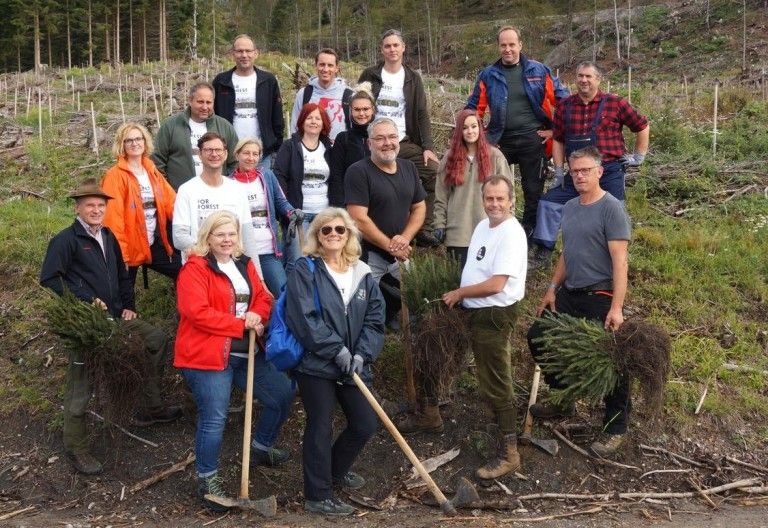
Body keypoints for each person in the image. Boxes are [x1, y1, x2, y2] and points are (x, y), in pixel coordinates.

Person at [40, 179, 182, 476]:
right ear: (78, 207)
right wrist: (85, 300)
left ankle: (149, 406)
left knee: (155, 339)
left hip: (117, 317)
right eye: (89, 205)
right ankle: (75, 446)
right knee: (82, 383)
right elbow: (51, 278)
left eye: (100, 205)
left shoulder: (108, 235)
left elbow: (121, 275)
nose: (95, 210)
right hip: (88, 324)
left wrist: (129, 306)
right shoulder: (66, 240)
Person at [174, 211, 294, 512]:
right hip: (208, 356)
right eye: (220, 235)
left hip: (249, 352)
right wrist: (240, 323)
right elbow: (195, 312)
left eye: (231, 234)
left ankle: (260, 449)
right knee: (215, 417)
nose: (227, 240)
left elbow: (264, 299)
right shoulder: (195, 269)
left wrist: (257, 315)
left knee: (282, 395)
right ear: (208, 237)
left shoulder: (245, 263)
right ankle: (207, 479)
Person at [527, 146, 631, 458]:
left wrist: (616, 307)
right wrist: (551, 288)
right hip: (569, 293)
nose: (580, 175)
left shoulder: (611, 209)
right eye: (575, 171)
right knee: (538, 336)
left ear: (600, 172)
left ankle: (616, 428)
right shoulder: (570, 206)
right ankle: (564, 396)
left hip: (601, 295)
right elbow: (567, 253)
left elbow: (620, 262)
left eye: (586, 170)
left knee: (612, 361)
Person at [285, 207, 385, 516]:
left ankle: (331, 473)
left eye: (339, 230)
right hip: (317, 364)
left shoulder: (363, 273)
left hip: (352, 363)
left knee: (365, 423)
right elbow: (304, 318)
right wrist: (335, 350)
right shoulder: (306, 269)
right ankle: (317, 495)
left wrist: (360, 354)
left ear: (349, 235)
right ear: (316, 235)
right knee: (320, 424)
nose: (333, 235)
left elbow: (375, 319)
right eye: (326, 230)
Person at [437, 176, 527, 479]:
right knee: (487, 376)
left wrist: (460, 293)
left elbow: (497, 283)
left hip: (494, 313)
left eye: (501, 199)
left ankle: (509, 452)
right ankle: (496, 431)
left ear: (511, 200)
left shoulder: (511, 233)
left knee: (498, 378)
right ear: (482, 199)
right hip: (478, 312)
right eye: (490, 199)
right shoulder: (482, 226)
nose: (495, 204)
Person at [530, 61, 649, 268]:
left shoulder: (616, 103)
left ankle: (616, 258)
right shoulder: (565, 106)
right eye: (580, 76)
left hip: (608, 170)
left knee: (615, 211)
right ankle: (543, 252)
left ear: (598, 79)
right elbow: (558, 139)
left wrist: (638, 156)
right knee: (549, 203)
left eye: (588, 76)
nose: (583, 80)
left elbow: (642, 125)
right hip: (576, 172)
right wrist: (559, 172)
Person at [466, 26, 568, 244]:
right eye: (503, 45)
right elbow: (474, 108)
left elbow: (564, 101)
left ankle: (529, 236)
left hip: (534, 138)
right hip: (500, 140)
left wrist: (554, 130)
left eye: (512, 44)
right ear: (498, 46)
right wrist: (481, 136)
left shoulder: (539, 71)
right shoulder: (488, 75)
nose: (508, 49)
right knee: (492, 187)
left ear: (520, 45)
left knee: (533, 190)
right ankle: (493, 232)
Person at [358, 29, 439, 247]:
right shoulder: (370, 75)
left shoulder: (413, 78)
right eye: (387, 46)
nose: (392, 49)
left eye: (396, 45)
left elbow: (421, 113)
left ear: (403, 48)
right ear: (382, 49)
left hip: (402, 141)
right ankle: (373, 230)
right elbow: (359, 105)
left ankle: (424, 228)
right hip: (374, 142)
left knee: (432, 170)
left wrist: (427, 146)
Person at [345, 117, 426, 284]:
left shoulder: (409, 167)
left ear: (398, 139)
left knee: (412, 298)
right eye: (380, 138)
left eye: (392, 137)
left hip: (401, 254)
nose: (387, 142)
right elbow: (357, 218)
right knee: (364, 305)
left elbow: (419, 207)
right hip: (368, 256)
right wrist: (391, 246)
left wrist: (404, 239)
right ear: (369, 144)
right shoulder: (358, 172)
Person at [101, 123, 180, 289]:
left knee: (184, 270)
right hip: (129, 248)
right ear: (121, 145)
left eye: (138, 138)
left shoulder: (151, 170)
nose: (134, 143)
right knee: (123, 298)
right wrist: (121, 256)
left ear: (145, 142)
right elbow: (113, 221)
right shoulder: (114, 176)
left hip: (152, 244)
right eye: (128, 140)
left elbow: (172, 204)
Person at [172, 132, 262, 277]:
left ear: (226, 154)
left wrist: (259, 278)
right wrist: (214, 251)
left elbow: (247, 236)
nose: (214, 154)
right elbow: (179, 237)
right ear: (200, 155)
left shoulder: (237, 190)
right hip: (201, 268)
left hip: (235, 268)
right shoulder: (187, 190)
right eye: (208, 150)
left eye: (218, 150)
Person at [433, 109, 512, 269]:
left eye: (474, 126)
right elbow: (441, 196)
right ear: (459, 131)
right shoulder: (449, 158)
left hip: (490, 232)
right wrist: (439, 223)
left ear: (480, 128)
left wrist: (507, 224)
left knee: (484, 284)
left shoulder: (495, 156)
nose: (470, 131)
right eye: (465, 127)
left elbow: (509, 195)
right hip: (458, 234)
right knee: (460, 284)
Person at [229, 137, 303, 296]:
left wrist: (292, 212)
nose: (251, 158)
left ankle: (280, 322)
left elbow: (280, 201)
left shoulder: (267, 176)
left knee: (283, 293)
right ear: (237, 155)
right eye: (246, 153)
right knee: (249, 296)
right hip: (241, 253)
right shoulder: (228, 183)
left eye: (255, 154)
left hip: (268, 251)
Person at [274, 103, 335, 264]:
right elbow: (279, 178)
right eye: (309, 118)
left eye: (318, 118)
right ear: (302, 121)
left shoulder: (329, 148)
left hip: (324, 215)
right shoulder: (290, 146)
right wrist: (287, 209)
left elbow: (335, 180)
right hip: (299, 216)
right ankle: (292, 290)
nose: (313, 121)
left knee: (323, 263)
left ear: (323, 124)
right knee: (298, 263)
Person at [212, 34, 285, 170]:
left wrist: (276, 145)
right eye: (239, 51)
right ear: (233, 54)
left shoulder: (268, 81)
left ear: (256, 53)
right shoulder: (221, 81)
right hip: (229, 152)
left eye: (248, 51)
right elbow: (213, 115)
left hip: (261, 153)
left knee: (259, 190)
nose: (244, 55)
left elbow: (277, 117)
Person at [152, 82, 239, 191]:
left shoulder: (224, 126)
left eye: (209, 102)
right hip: (178, 194)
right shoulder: (171, 125)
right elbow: (157, 161)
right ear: (190, 100)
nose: (205, 107)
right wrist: (167, 190)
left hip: (217, 194)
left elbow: (235, 161)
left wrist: (225, 185)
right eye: (200, 102)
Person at [291, 48, 353, 141]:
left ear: (337, 68)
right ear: (315, 66)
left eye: (330, 65)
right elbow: (295, 127)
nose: (325, 69)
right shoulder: (304, 94)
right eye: (322, 64)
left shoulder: (349, 95)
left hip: (340, 152)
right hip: (310, 151)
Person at [328, 84, 376, 206]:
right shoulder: (343, 139)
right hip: (351, 204)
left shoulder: (380, 138)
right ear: (351, 110)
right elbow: (336, 176)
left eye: (365, 109)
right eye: (357, 109)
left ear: (373, 110)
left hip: (378, 204)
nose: (361, 113)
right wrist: (339, 208)